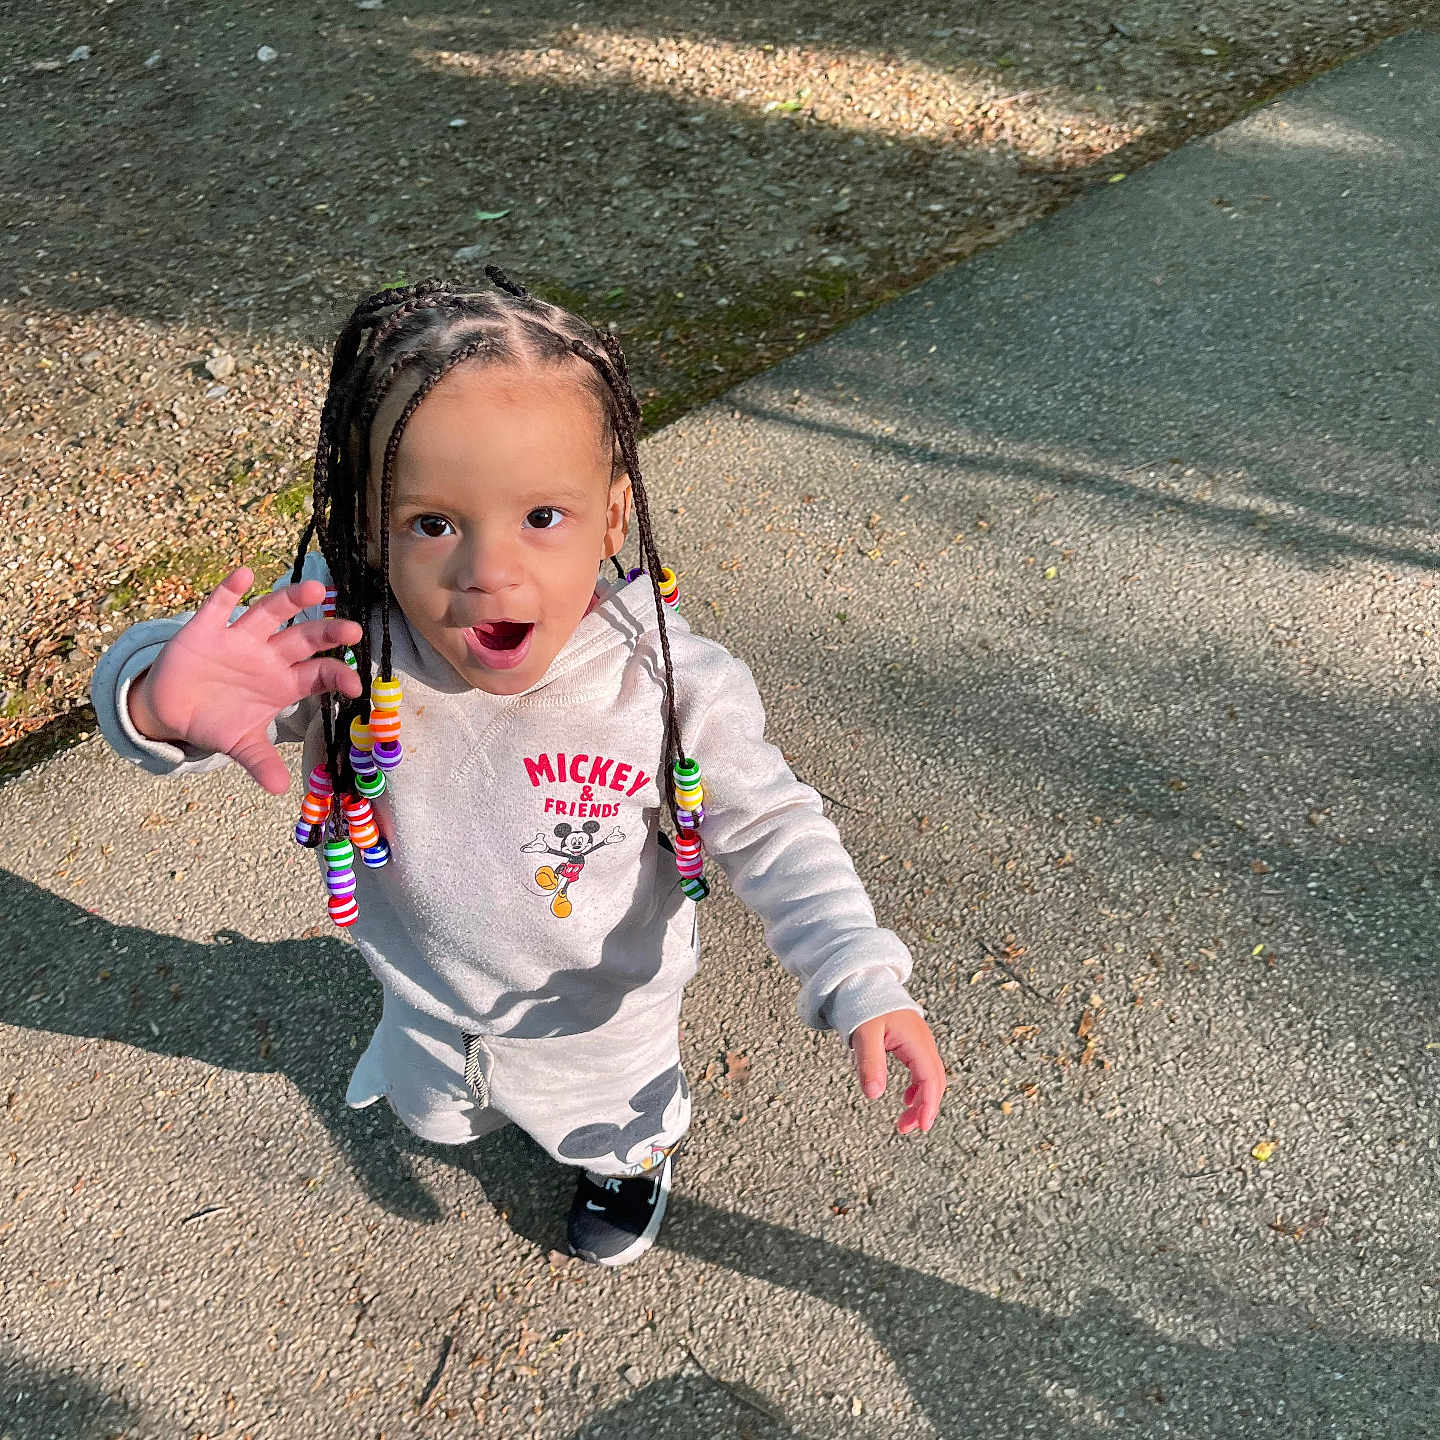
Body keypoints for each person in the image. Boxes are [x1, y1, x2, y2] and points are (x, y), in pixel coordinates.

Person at [90, 271, 946, 1266]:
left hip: (602, 1016)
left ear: (614, 516)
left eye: (543, 516)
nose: (488, 572)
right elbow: (205, 687)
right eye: (433, 523)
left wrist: (862, 976)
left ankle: (628, 1168)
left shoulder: (665, 688)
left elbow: (773, 831)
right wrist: (157, 701)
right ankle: (480, 1100)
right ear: (368, 524)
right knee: (443, 1110)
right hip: (425, 992)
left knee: (614, 1125)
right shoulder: (346, 641)